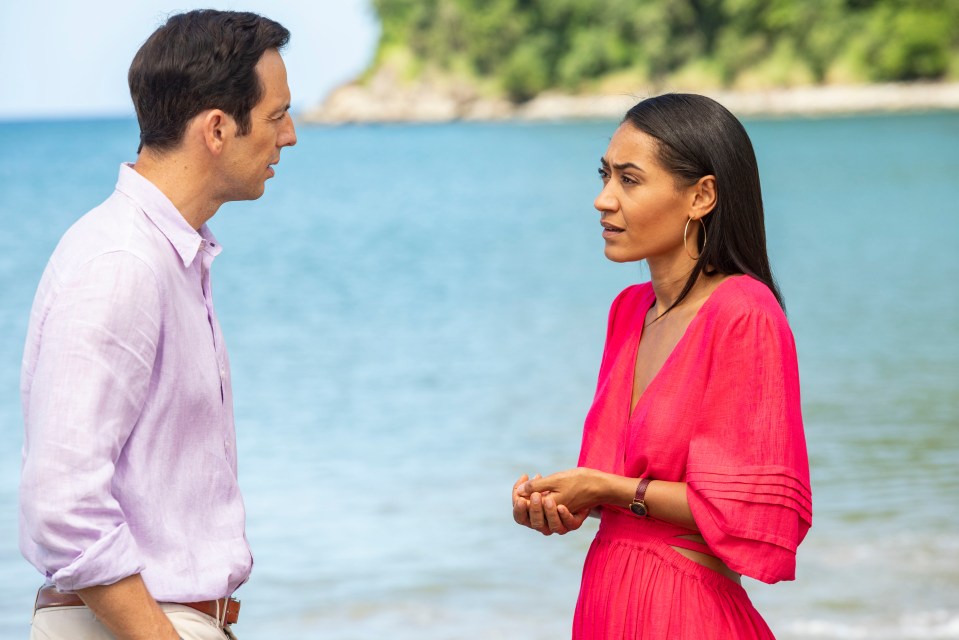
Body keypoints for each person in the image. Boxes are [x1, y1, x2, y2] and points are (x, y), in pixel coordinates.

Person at [19, 10, 296, 640]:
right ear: (218, 128)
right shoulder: (121, 263)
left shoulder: (169, 255)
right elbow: (61, 507)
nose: (291, 136)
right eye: (278, 116)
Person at [511, 93, 811, 639]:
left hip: (685, 611)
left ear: (701, 195)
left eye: (629, 179)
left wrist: (604, 487)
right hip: (606, 601)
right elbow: (621, 491)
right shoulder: (628, 312)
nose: (603, 199)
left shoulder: (744, 314)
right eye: (604, 175)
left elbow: (740, 510)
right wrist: (562, 502)